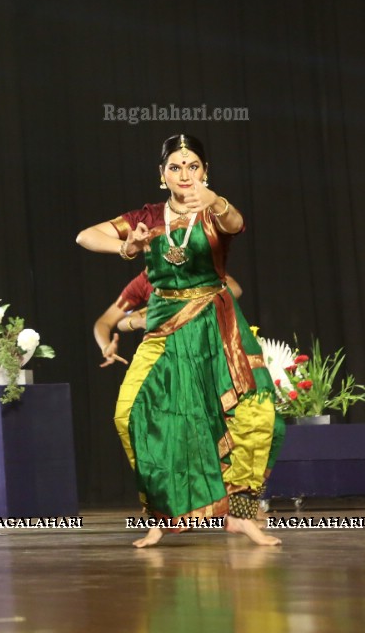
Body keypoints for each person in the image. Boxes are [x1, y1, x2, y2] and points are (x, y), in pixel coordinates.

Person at [76, 134, 281, 547]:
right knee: (129, 414)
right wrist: (126, 247)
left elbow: (236, 224)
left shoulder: (213, 208)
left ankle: (242, 514)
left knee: (254, 415)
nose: (184, 174)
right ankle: (163, 510)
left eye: (193, 166)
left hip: (216, 324)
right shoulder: (149, 216)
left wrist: (216, 201)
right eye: (175, 167)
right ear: (161, 175)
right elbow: (85, 235)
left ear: (205, 171)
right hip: (165, 327)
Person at [95, 271, 243, 368]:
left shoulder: (194, 268)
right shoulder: (144, 282)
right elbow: (105, 322)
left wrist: (188, 306)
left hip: (208, 350)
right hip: (173, 358)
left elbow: (235, 289)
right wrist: (105, 346)